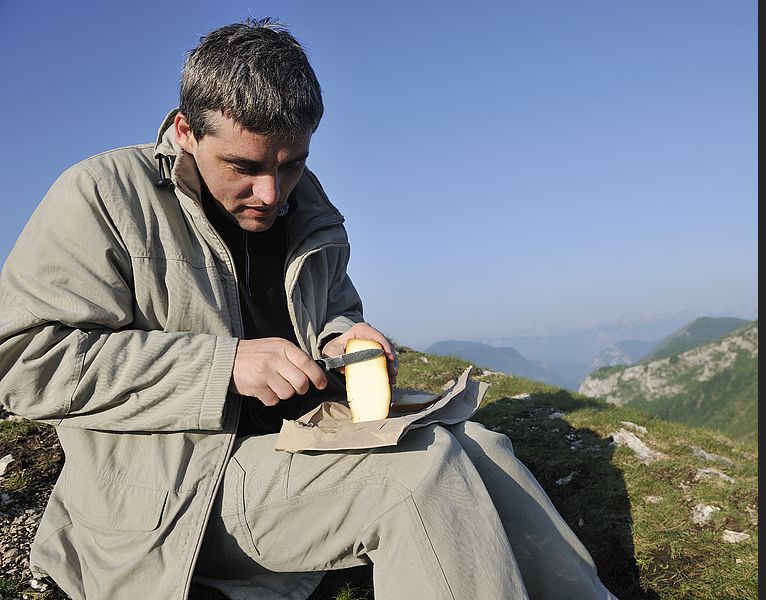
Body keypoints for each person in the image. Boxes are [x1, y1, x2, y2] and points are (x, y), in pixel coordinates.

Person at [0, 19, 616, 600]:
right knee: (420, 478)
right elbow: (22, 360)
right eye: (243, 166)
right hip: (174, 493)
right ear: (187, 132)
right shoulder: (103, 193)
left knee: (484, 448)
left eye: (291, 164)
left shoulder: (306, 205)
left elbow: (333, 310)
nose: (270, 193)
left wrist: (347, 339)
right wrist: (224, 366)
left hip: (302, 440)